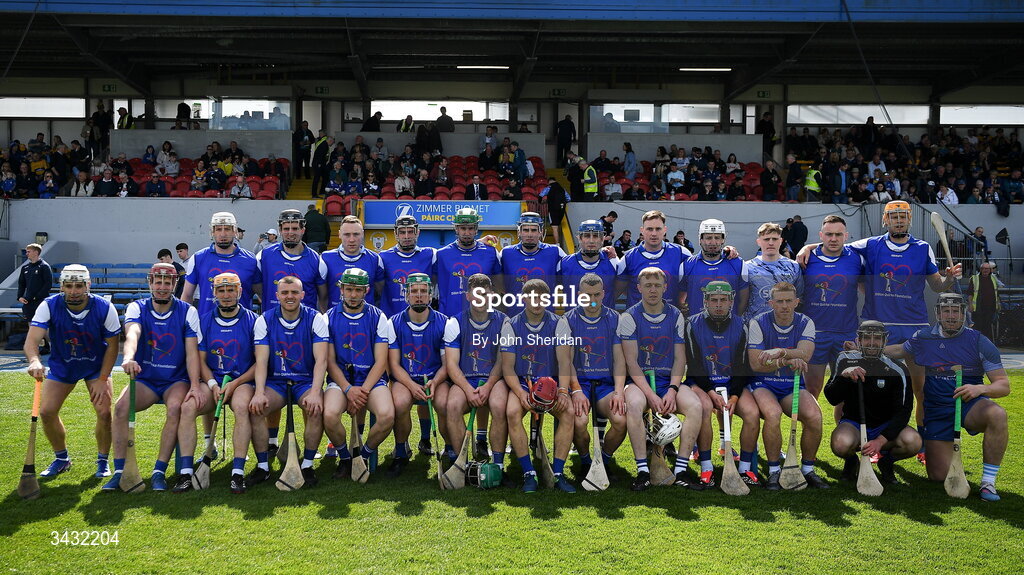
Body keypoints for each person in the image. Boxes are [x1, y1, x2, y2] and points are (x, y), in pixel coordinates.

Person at [796, 200, 963, 465]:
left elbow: (937, 287)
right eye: (893, 217)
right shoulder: (869, 245)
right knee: (862, 389)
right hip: (876, 331)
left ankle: (919, 445)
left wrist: (950, 278)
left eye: (903, 217)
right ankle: (855, 446)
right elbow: (834, 245)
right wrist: (808, 246)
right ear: (885, 220)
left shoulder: (923, 248)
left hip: (913, 329)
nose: (898, 221)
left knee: (920, 390)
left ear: (909, 220)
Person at [884, 293, 1010, 501]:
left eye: (955, 311)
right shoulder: (923, 337)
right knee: (938, 476)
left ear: (963, 314)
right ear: (938, 314)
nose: (951, 316)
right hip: (937, 411)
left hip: (969, 405)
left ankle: (988, 483)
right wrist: (865, 347)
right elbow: (899, 349)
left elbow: (1003, 385)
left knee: (997, 414)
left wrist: (980, 390)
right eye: (946, 311)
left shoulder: (979, 341)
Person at [102, 263, 201, 492]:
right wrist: (128, 358)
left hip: (175, 379)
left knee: (175, 407)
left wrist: (195, 385)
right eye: (158, 282)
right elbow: (133, 334)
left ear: (175, 284)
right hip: (146, 378)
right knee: (120, 408)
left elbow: (192, 353)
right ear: (150, 283)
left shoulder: (188, 311)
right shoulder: (137, 307)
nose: (163, 287)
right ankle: (120, 470)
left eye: (168, 282)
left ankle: (159, 470)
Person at [24, 265, 120, 479]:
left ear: (88, 285)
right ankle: (61, 459)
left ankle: (103, 461)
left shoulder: (104, 307)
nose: (74, 291)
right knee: (47, 412)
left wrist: (103, 378)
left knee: (104, 413)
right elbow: (31, 340)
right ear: (62, 286)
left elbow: (113, 346)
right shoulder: (49, 305)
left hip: (96, 366)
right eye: (69, 286)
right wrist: (34, 361)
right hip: (63, 365)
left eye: (79, 286)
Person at [620, 268, 703, 490]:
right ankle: (643, 471)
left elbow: (679, 358)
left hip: (668, 381)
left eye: (657, 285)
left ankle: (681, 470)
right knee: (635, 405)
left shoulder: (676, 315)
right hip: (640, 383)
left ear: (665, 287)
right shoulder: (629, 316)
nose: (653, 290)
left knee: (695, 406)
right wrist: (650, 395)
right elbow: (632, 362)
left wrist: (673, 390)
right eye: (647, 285)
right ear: (639, 288)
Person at [248, 276, 329, 488]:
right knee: (256, 409)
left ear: (303, 295)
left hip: (304, 382)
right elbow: (262, 361)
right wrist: (258, 392)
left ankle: (308, 465)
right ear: (277, 296)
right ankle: (263, 466)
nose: (290, 296)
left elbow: (321, 360)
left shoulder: (316, 319)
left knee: (315, 409)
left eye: (294, 292)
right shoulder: (264, 320)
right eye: (285, 293)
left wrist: (315, 392)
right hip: (276, 382)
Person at [747, 281, 827, 490]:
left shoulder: (805, 322)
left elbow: (806, 354)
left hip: (791, 384)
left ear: (797, 302)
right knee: (772, 414)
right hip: (764, 383)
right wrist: (787, 360)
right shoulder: (758, 322)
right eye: (779, 301)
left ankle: (808, 469)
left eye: (789, 301)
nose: (784, 306)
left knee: (814, 416)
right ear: (770, 303)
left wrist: (778, 351)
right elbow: (756, 363)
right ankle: (774, 470)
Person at [500, 279, 578, 493]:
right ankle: (528, 472)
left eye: (542, 297)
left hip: (552, 384)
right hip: (524, 384)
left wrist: (563, 391)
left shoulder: (559, 323)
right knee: (512, 412)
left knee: (568, 412)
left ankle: (559, 472)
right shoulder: (511, 325)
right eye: (532, 297)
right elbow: (507, 367)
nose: (537, 302)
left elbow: (564, 361)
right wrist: (519, 393)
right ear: (524, 299)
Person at [824, 320, 919, 485]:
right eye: (867, 337)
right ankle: (852, 461)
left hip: (885, 425)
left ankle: (886, 462)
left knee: (913, 441)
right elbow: (832, 398)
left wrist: (880, 441)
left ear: (884, 341)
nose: (872, 343)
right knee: (840, 444)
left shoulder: (898, 370)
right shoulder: (845, 359)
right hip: (853, 423)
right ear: (858, 340)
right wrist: (844, 376)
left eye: (877, 338)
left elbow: (904, 412)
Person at [322, 268, 395, 481]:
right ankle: (345, 457)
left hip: (371, 381)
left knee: (387, 416)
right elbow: (330, 361)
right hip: (341, 381)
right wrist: (347, 389)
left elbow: (381, 361)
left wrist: (361, 392)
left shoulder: (378, 316)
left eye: (358, 290)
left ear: (366, 291)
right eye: (349, 289)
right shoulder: (328, 317)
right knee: (329, 415)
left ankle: (363, 455)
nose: (353, 295)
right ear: (341, 290)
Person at [556, 273, 628, 482]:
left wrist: (618, 391)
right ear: (579, 295)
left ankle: (604, 459)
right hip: (581, 384)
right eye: (588, 295)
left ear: (604, 293)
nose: (593, 300)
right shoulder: (567, 320)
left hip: (606, 385)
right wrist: (576, 390)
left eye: (597, 294)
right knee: (579, 421)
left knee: (620, 420)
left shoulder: (616, 318)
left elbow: (619, 359)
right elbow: (566, 361)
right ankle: (586, 461)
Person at [193, 272, 259, 493]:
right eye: (221, 291)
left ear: (239, 292)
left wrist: (235, 382)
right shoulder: (204, 320)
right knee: (187, 407)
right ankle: (185, 470)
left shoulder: (253, 321)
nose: (226, 295)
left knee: (241, 407)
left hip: (241, 381)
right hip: (213, 380)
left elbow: (260, 363)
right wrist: (212, 384)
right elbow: (200, 361)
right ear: (214, 293)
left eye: (231, 290)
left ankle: (237, 471)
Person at [385, 273, 451, 477]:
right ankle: (401, 449)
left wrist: (435, 381)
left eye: (423, 292)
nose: (419, 296)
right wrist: (412, 386)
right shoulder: (393, 323)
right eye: (414, 292)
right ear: (406, 295)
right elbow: (393, 364)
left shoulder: (444, 322)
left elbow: (448, 363)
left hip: (435, 378)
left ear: (431, 295)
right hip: (405, 379)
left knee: (443, 404)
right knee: (400, 403)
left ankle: (450, 448)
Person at [443, 274, 510, 474]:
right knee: (452, 406)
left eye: (486, 294)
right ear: (468, 296)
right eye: (477, 294)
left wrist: (488, 386)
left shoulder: (504, 321)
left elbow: (502, 360)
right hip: (466, 379)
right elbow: (452, 364)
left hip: (493, 379)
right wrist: (468, 390)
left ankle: (497, 464)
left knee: (498, 405)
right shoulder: (454, 322)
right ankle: (463, 463)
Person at [802, 215, 864, 398]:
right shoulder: (805, 258)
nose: (834, 239)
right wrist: (807, 247)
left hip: (846, 333)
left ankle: (843, 427)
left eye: (838, 234)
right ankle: (813, 427)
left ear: (846, 236)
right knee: (812, 390)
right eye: (829, 234)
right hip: (814, 334)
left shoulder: (857, 258)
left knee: (846, 392)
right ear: (821, 235)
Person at [180, 212, 261, 319]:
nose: (223, 234)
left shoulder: (251, 260)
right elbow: (187, 296)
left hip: (243, 329)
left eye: (227, 229)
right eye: (218, 229)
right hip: (206, 329)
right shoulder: (198, 258)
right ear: (212, 232)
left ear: (235, 231)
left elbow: (262, 295)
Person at [256, 209, 328, 312]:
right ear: (280, 231)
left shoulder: (317, 261)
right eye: (286, 229)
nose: (290, 233)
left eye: (295, 228)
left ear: (303, 230)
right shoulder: (263, 256)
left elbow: (323, 298)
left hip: (305, 325)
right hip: (272, 324)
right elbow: (258, 289)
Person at [434, 208, 501, 317]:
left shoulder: (491, 253)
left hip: (483, 318)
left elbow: (500, 287)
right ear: (456, 229)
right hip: (450, 319)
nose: (467, 233)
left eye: (470, 228)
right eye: (463, 228)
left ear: (476, 229)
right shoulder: (441, 255)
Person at [499, 212, 567, 317]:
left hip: (546, 320)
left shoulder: (555, 252)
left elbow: (577, 266)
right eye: (526, 230)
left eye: (534, 230)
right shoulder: (506, 253)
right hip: (514, 320)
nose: (530, 234)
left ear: (540, 232)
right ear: (519, 232)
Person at [680, 219, 748, 317]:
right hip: (697, 329)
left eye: (717, 237)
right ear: (700, 239)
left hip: (729, 329)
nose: (713, 242)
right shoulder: (687, 265)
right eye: (708, 238)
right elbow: (681, 301)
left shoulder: (738, 264)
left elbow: (743, 300)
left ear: (723, 240)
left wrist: (735, 323)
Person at [742, 222, 803, 321]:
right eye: (766, 239)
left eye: (774, 239)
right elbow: (741, 300)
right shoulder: (747, 267)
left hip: (785, 325)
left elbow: (799, 298)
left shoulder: (793, 266)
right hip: (754, 326)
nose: (770, 243)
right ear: (758, 242)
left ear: (781, 241)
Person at [321, 216, 385, 309]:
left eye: (356, 234)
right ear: (339, 234)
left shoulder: (375, 259)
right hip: (335, 319)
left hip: (365, 319)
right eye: (347, 234)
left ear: (362, 234)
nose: (351, 239)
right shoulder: (326, 258)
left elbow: (381, 292)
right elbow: (322, 295)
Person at [558, 220, 620, 309]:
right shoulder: (564, 264)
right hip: (574, 321)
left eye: (595, 236)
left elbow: (621, 289)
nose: (591, 241)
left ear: (602, 238)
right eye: (587, 236)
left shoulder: (613, 261)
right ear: (579, 238)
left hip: (605, 320)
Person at [18, 243, 52, 352]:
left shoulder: (44, 266)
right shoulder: (25, 267)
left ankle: (53, 347)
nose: (26, 253)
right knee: (31, 326)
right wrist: (20, 297)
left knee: (43, 327)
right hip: (28, 303)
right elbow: (21, 284)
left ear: (36, 252)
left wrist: (36, 297)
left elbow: (48, 284)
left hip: (40, 302)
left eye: (29, 251)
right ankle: (35, 350)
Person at [966, 262, 1002, 341]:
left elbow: (997, 293)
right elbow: (970, 293)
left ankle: (987, 345)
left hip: (990, 308)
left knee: (987, 327)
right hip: (978, 308)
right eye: (983, 268)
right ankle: (975, 343)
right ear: (981, 269)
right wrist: (970, 304)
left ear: (990, 270)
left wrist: (998, 304)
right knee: (978, 327)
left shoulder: (993, 278)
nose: (985, 270)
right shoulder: (974, 278)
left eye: (987, 269)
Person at [310, 131, 330, 198]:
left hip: (320, 164)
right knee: (317, 179)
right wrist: (319, 164)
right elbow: (320, 155)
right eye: (332, 142)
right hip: (319, 164)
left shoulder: (322, 142)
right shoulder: (324, 144)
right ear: (329, 140)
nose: (332, 144)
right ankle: (314, 194)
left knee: (325, 177)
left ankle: (321, 191)